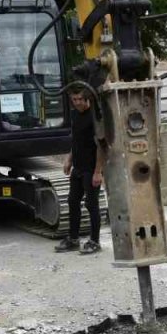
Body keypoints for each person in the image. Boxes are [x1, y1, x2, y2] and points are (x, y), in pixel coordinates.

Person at [54, 89, 107, 255]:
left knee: (92, 205)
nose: (76, 102)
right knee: (72, 201)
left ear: (87, 99)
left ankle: (94, 241)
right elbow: (76, 140)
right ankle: (74, 238)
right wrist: (69, 159)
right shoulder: (74, 114)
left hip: (91, 169)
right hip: (77, 166)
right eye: (74, 99)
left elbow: (101, 147)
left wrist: (98, 172)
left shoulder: (95, 117)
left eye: (79, 99)